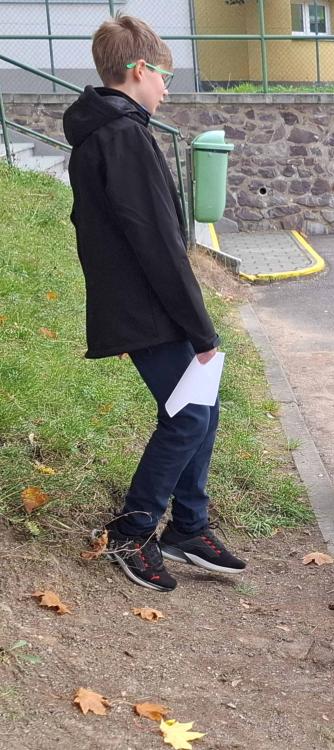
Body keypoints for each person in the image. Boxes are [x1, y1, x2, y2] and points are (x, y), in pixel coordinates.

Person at [63, 14, 245, 592]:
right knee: (188, 415)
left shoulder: (112, 130)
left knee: (201, 407)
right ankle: (134, 529)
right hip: (146, 306)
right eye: (164, 75)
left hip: (142, 302)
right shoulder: (122, 136)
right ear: (139, 69)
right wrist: (201, 329)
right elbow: (157, 243)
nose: (167, 87)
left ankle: (188, 526)